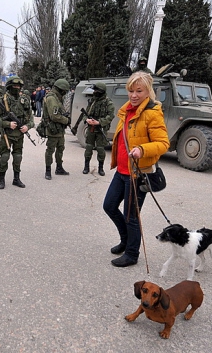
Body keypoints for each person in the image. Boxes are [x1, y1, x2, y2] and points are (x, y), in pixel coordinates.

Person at [103, 71, 169, 267]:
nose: (133, 95)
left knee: (132, 216)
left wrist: (142, 149)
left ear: (148, 91)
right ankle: (126, 241)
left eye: (139, 91)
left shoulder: (152, 113)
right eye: (131, 90)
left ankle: (132, 254)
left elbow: (163, 143)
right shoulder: (126, 110)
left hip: (137, 174)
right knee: (109, 206)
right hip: (121, 170)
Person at [0, 76, 34, 189]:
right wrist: (8, 124)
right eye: (14, 86)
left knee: (18, 157)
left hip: (19, 135)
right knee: (4, 157)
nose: (17, 88)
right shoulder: (3, 99)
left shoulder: (24, 100)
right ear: (10, 87)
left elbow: (31, 118)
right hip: (6, 134)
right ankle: (2, 179)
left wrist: (27, 126)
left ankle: (16, 179)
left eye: (18, 86)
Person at [83, 82, 115, 176]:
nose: (94, 92)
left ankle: (100, 168)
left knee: (100, 149)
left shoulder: (108, 102)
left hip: (101, 129)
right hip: (91, 128)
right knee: (88, 147)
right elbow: (85, 114)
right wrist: (87, 120)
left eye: (96, 90)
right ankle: (86, 166)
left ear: (101, 91)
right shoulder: (92, 101)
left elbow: (110, 116)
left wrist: (99, 122)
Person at [42, 79, 71, 180]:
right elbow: (54, 116)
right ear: (60, 89)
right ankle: (48, 170)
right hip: (53, 129)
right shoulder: (51, 98)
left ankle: (59, 168)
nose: (65, 93)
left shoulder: (58, 98)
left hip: (59, 129)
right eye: (64, 91)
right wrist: (66, 120)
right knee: (50, 150)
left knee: (60, 149)